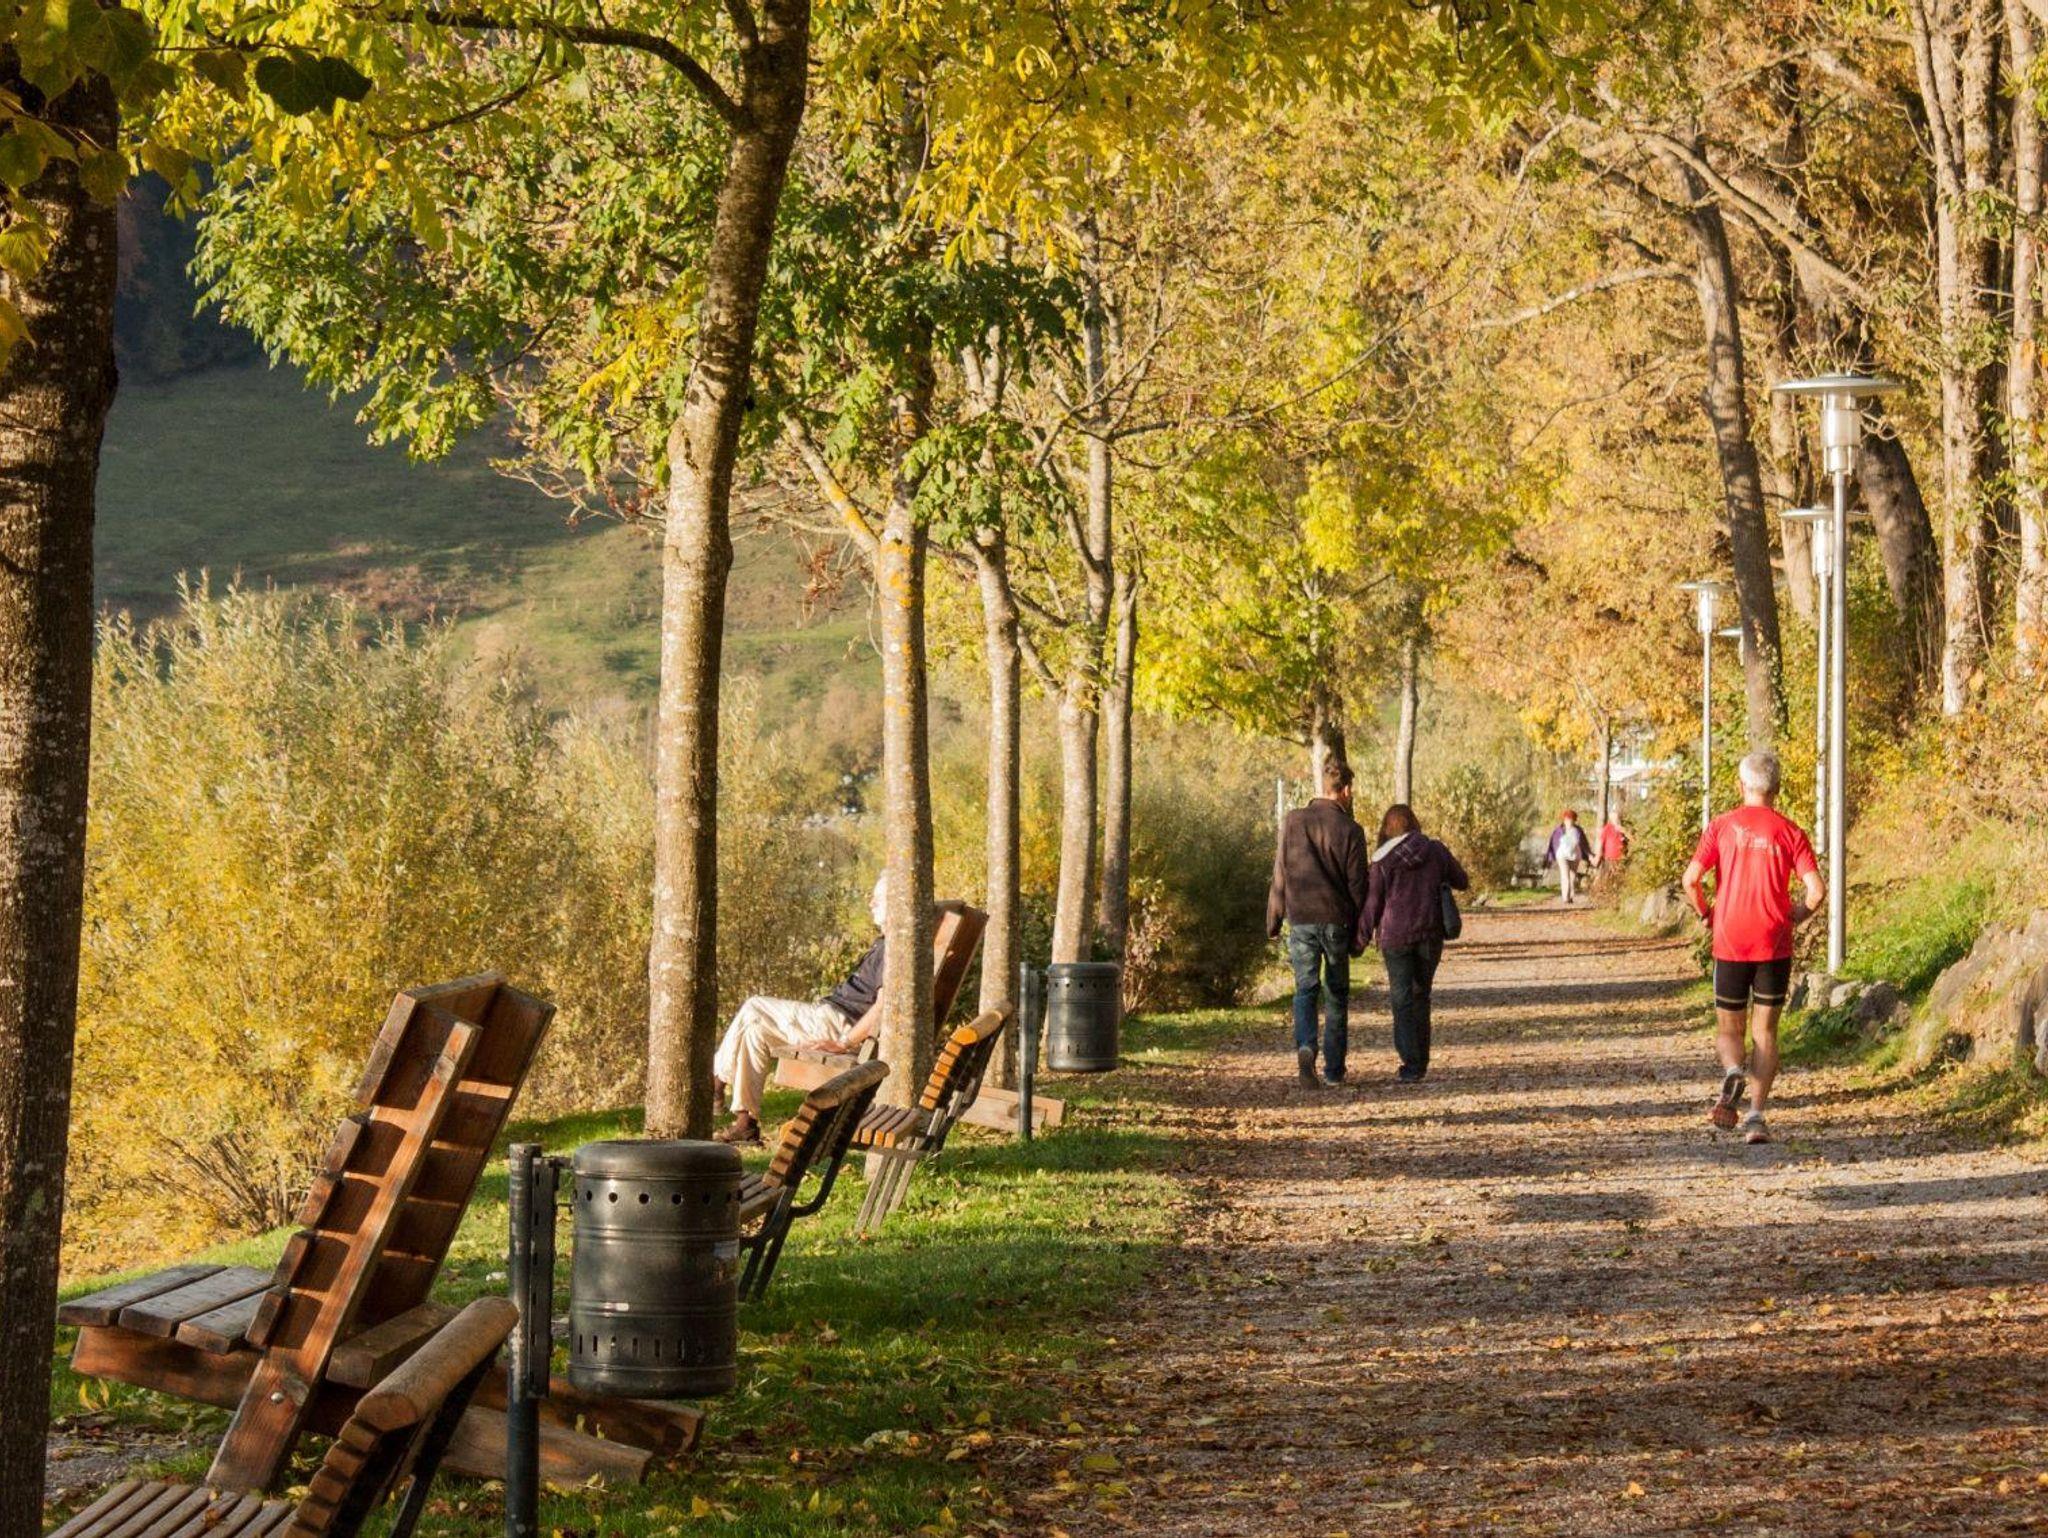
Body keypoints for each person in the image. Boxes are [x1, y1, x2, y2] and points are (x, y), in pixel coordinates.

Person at [1681, 751, 1824, 1146]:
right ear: (1777, 788)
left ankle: (1732, 1071)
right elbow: (1816, 891)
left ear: (1740, 785)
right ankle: (1756, 1118)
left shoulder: (1721, 827)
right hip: (1773, 941)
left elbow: (1690, 880)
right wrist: (1795, 915)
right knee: (1765, 1031)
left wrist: (1707, 914)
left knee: (1730, 1027)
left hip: (1730, 937)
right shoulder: (1791, 832)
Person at [712, 873, 889, 1145]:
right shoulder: (885, 943)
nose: (871, 903)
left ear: (895, 903)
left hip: (838, 1023)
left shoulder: (893, 949)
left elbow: (883, 1006)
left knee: (754, 1007)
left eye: (878, 898)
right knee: (755, 1031)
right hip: (831, 1017)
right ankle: (745, 1125)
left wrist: (844, 1042)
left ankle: (714, 1083)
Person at [1266, 758, 1369, 1086]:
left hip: (1301, 920)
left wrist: (1273, 919)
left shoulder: (1293, 821)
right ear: (1346, 790)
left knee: (1305, 989)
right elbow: (1358, 886)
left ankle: (1306, 1046)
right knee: (1336, 993)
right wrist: (1361, 930)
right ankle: (1334, 1070)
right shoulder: (1351, 830)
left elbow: (1280, 873)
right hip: (1337, 921)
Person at [1356, 804, 1469, 1082]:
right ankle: (1421, 1061)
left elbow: (1373, 904)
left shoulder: (1382, 860)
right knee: (1421, 996)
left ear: (1386, 829)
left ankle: (1411, 1062)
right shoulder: (1436, 851)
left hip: (1395, 937)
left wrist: (1359, 940)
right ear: (1414, 824)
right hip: (1429, 934)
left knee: (1402, 999)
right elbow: (1462, 880)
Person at [1547, 809, 1592, 904]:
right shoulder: (1559, 830)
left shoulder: (1578, 830)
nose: (1569, 821)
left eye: (1571, 819)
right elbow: (1552, 843)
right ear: (1564, 820)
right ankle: (1565, 898)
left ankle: (1571, 896)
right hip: (1562, 856)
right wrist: (1550, 857)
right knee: (1565, 875)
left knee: (1572, 877)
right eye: (1567, 819)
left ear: (1574, 820)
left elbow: (1584, 844)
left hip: (1575, 856)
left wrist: (1589, 855)